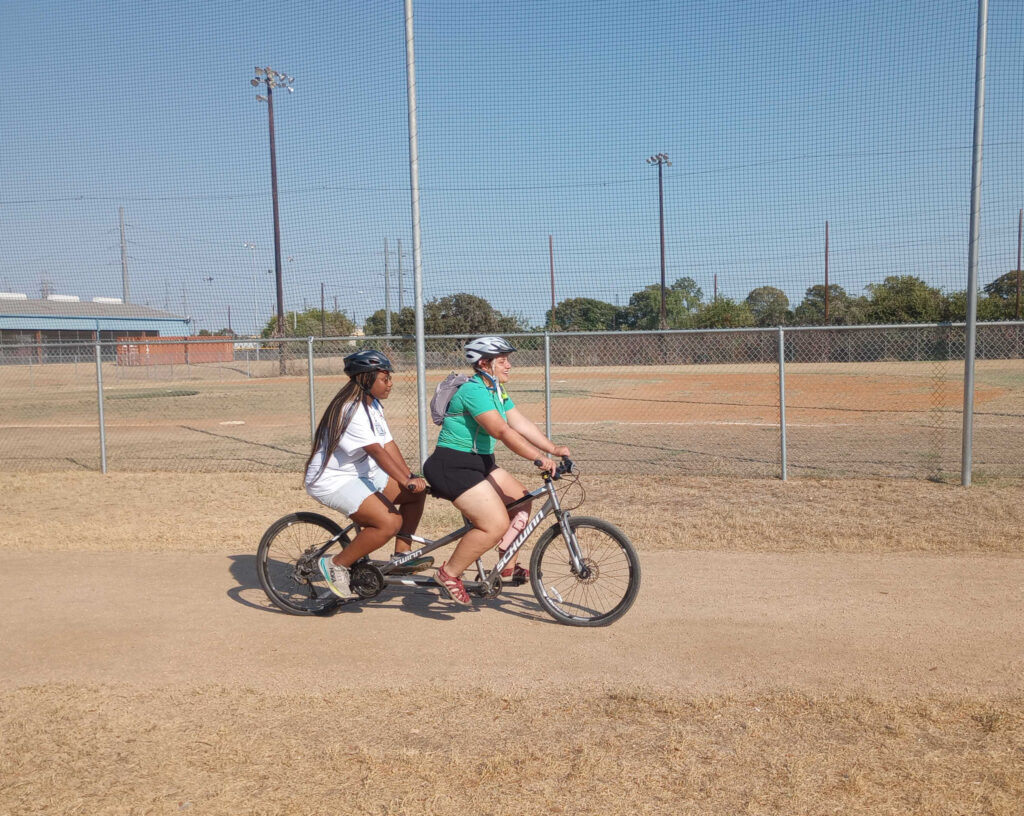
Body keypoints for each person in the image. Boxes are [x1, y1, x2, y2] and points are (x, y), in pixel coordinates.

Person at [422, 336, 571, 605]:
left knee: (522, 501)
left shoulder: (496, 391)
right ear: (484, 363)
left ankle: (505, 566)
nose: (509, 365)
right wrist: (538, 458)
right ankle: (449, 574)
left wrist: (554, 449)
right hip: (452, 465)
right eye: (503, 361)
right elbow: (501, 431)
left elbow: (519, 423)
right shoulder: (474, 391)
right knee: (494, 524)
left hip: (481, 462)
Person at [304, 349, 429, 599]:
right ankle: (336, 564)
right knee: (389, 522)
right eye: (385, 378)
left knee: (414, 495)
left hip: (362, 475)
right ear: (365, 379)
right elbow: (376, 452)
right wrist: (405, 479)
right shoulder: (351, 410)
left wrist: (410, 477)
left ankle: (402, 557)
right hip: (333, 480)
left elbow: (388, 445)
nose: (390, 384)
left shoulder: (373, 406)